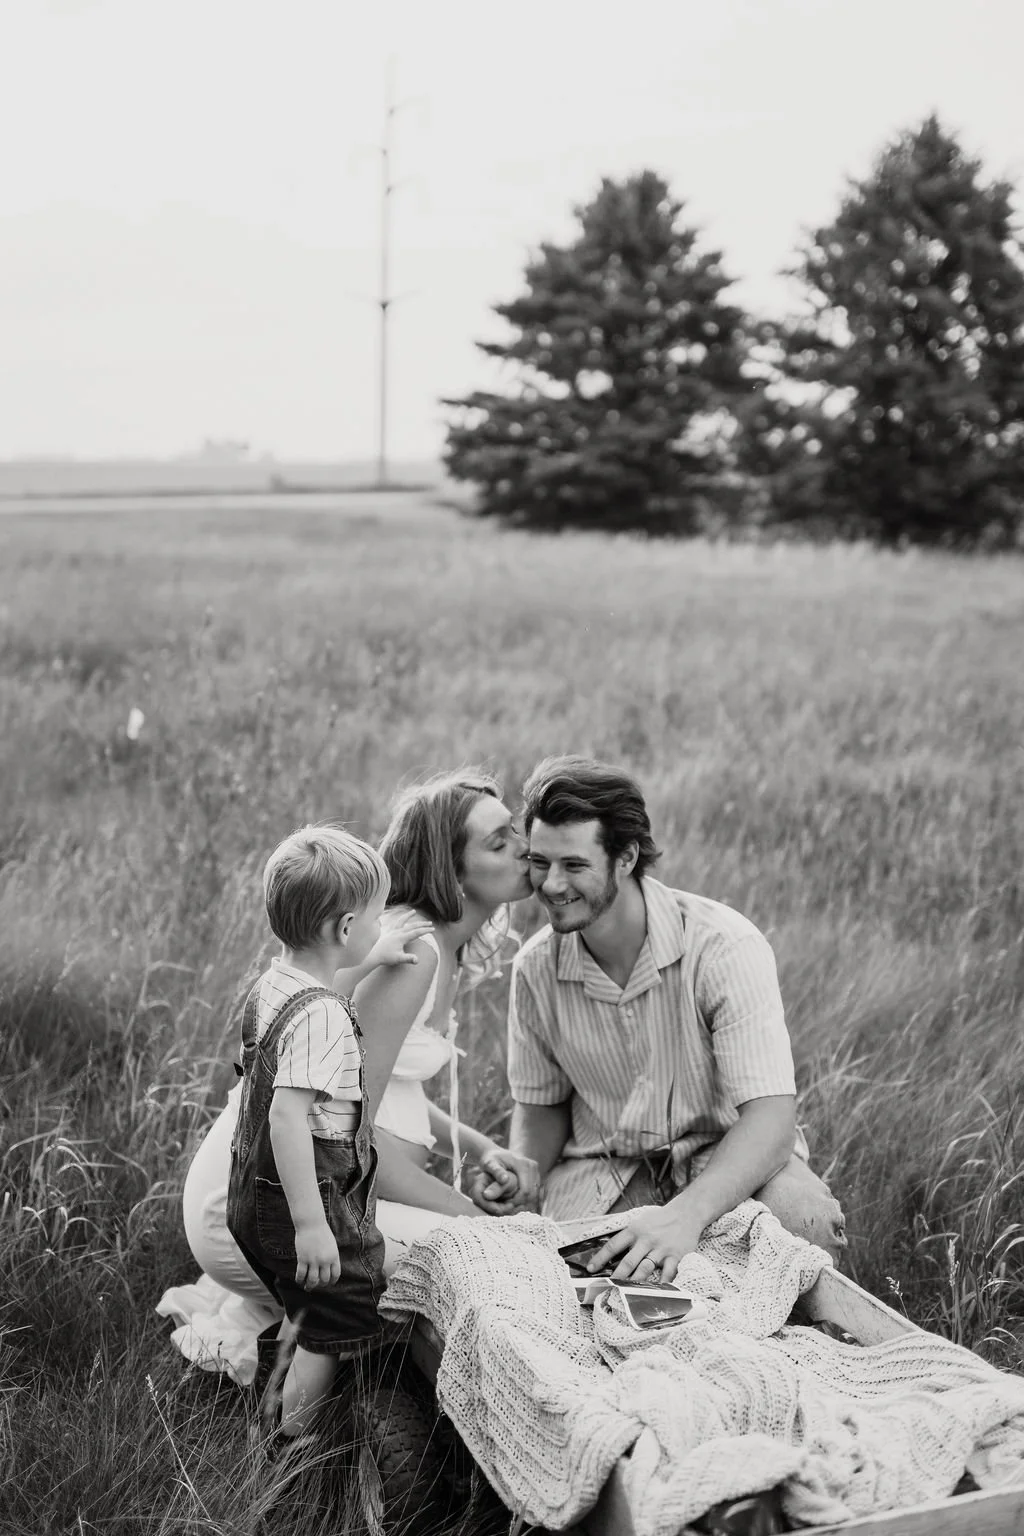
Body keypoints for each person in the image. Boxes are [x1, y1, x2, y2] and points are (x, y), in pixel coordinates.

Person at [160, 771, 539, 1382]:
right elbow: (343, 1136)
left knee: (487, 1246)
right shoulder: (411, 955)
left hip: (324, 1187)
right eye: (499, 842)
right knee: (479, 1251)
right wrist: (469, 1213)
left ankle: (322, 1360)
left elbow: (387, 1093)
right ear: (451, 870)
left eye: (515, 831)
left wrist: (480, 1146)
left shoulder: (424, 947)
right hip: (273, 1198)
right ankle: (315, 1418)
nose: (525, 848)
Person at [482, 755, 847, 1283]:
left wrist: (684, 1217)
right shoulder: (536, 968)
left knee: (804, 1224)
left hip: (725, 1161)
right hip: (604, 1169)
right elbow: (542, 1108)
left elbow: (771, 1121)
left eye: (574, 865)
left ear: (626, 857)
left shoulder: (724, 947)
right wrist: (525, 1172)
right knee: (552, 1281)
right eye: (540, 862)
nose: (552, 885)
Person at [225, 822, 399, 1445]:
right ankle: (290, 1447)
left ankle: (267, 1400)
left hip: (250, 1189)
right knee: (344, 1306)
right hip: (302, 1196)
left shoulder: (274, 986)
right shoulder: (323, 1017)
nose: (379, 932)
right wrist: (311, 1224)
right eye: (375, 922)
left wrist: (369, 957)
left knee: (302, 1301)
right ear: (344, 930)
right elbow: (286, 1116)